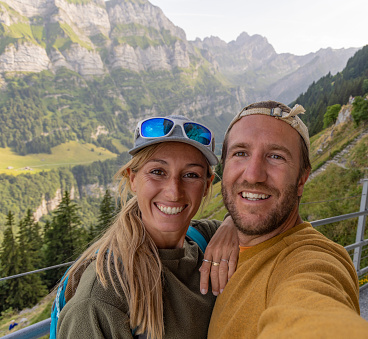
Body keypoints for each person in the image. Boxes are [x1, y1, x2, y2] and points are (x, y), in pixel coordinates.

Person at [208, 101, 368, 338]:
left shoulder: (310, 260)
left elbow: (314, 302)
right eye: (240, 153)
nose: (253, 174)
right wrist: (228, 221)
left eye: (276, 156)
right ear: (224, 167)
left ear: (302, 179)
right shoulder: (211, 239)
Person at [57, 115, 239, 339]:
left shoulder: (207, 238)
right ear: (132, 179)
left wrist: (233, 222)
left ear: (206, 186)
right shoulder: (102, 299)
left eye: (191, 175)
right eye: (157, 172)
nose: (174, 191)